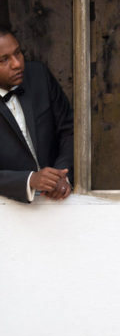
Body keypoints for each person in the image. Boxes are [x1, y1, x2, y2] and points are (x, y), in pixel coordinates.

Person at [0, 25, 73, 203]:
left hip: (62, 204)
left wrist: (62, 174)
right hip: (11, 210)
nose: (17, 64)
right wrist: (29, 180)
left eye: (18, 53)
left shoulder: (39, 75)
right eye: (4, 60)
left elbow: (70, 129)